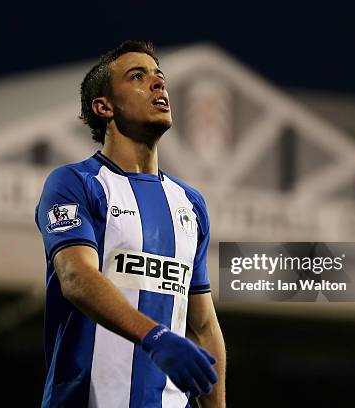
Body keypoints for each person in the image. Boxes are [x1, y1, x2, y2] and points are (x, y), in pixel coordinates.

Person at [35, 40, 226, 408]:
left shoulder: (189, 204)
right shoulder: (76, 183)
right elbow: (76, 278)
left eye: (159, 77)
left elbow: (202, 327)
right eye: (138, 77)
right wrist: (155, 337)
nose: (158, 84)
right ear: (103, 107)